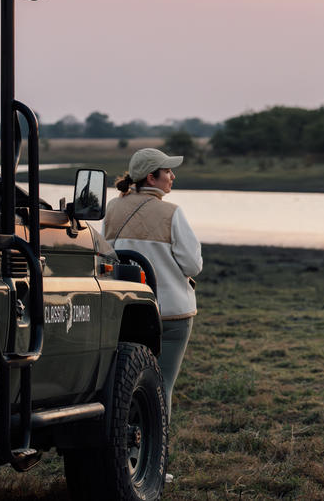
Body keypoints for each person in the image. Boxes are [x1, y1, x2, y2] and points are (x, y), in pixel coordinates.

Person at [103, 148, 202, 481]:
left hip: (125, 311)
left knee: (124, 387)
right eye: (168, 171)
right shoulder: (172, 213)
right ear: (151, 177)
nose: (173, 176)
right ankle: (154, 465)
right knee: (161, 389)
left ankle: (124, 459)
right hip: (171, 313)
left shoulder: (114, 207)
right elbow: (194, 265)